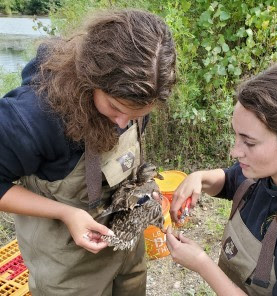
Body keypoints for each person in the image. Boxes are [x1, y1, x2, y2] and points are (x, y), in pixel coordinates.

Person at [0, 9, 176, 296]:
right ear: (89, 78)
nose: (123, 124)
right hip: (69, 269)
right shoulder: (33, 117)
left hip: (125, 246)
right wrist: (66, 213)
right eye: (115, 108)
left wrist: (142, 193)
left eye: (138, 115)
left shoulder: (139, 93)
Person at [166, 63, 277, 296]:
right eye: (236, 135)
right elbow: (232, 179)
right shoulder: (267, 171)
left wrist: (203, 264)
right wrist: (199, 179)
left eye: (249, 142)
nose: (235, 152)